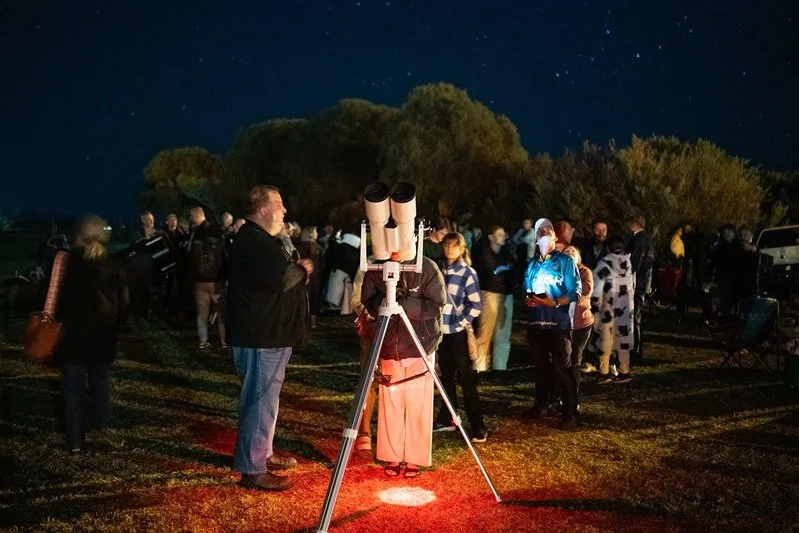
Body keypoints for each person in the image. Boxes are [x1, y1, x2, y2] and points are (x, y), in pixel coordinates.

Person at [226, 185, 313, 491]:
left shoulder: (260, 240)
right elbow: (281, 279)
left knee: (266, 401)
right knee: (259, 402)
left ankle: (262, 453)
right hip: (260, 337)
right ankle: (252, 468)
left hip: (267, 333)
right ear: (262, 209)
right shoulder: (253, 241)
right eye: (279, 204)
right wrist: (302, 269)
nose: (284, 210)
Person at [361, 247, 446, 478]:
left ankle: (415, 458)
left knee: (418, 405)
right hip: (390, 345)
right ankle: (392, 455)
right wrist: (386, 299)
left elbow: (436, 305)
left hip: (420, 345)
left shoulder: (427, 267)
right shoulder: (378, 268)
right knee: (391, 404)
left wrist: (405, 303)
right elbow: (367, 299)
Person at [49, 215, 129, 453]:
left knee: (72, 390)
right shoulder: (115, 264)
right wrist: (115, 324)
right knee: (100, 384)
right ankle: (101, 427)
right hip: (102, 337)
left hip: (72, 337)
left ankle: (74, 440)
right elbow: (124, 302)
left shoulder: (67, 261)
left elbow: (52, 295)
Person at [522, 218, 581, 429]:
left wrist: (555, 302)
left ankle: (570, 413)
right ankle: (541, 404)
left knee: (562, 368)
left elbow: (575, 292)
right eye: (541, 234)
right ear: (536, 240)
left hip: (559, 324)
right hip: (538, 323)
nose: (545, 237)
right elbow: (526, 288)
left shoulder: (566, 262)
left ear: (555, 238)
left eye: (548, 233)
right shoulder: (532, 265)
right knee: (540, 368)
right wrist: (529, 300)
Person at [433, 232, 487, 442]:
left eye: (454, 246)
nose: (449, 249)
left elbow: (476, 305)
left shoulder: (467, 273)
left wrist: (459, 323)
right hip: (441, 333)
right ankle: (448, 418)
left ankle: (478, 426)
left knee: (466, 380)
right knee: (445, 377)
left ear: (461, 248)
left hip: (457, 333)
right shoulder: (438, 270)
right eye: (446, 245)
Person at [591, 236, 635, 384]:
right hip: (625, 306)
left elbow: (596, 285)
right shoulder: (628, 264)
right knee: (623, 339)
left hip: (608, 308)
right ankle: (625, 371)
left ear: (608, 248)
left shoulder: (605, 264)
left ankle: (604, 372)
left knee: (605, 339)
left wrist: (595, 303)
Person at [472, 225, 515, 371]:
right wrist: (503, 270)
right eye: (499, 235)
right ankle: (480, 367)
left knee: (503, 333)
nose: (503, 237)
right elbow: (492, 272)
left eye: (504, 235)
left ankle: (500, 367)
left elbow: (511, 271)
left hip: (506, 295)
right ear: (491, 237)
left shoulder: (507, 254)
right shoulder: (484, 253)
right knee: (485, 332)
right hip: (489, 294)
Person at [187, 207, 226, 349]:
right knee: (221, 313)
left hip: (200, 281)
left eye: (191, 216)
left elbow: (190, 258)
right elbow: (222, 257)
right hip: (216, 280)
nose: (190, 219)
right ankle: (224, 341)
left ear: (197, 215)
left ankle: (203, 341)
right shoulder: (216, 231)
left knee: (202, 313)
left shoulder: (195, 234)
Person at [351, 267, 378, 451]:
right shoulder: (366, 266)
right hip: (371, 329)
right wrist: (369, 316)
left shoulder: (408, 263)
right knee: (368, 380)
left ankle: (390, 428)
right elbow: (356, 299)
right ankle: (365, 430)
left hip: (399, 331)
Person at [562, 246, 594, 383]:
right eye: (566, 252)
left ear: (578, 257)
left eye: (572, 251)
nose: (569, 253)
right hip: (562, 323)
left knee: (575, 359)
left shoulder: (584, 272)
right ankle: (560, 392)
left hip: (581, 323)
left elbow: (586, 289)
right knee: (562, 360)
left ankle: (572, 397)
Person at [625, 215, 654, 363]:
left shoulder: (639, 240)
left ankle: (635, 350)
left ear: (633, 225)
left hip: (637, 285)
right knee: (636, 317)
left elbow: (634, 262)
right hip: (642, 284)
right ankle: (636, 348)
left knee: (634, 317)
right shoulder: (646, 239)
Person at [295, 226, 325, 328]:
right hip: (316, 276)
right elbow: (322, 264)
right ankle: (313, 322)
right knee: (315, 297)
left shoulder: (299, 246)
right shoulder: (317, 247)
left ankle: (303, 321)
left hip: (304, 275)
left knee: (304, 297)